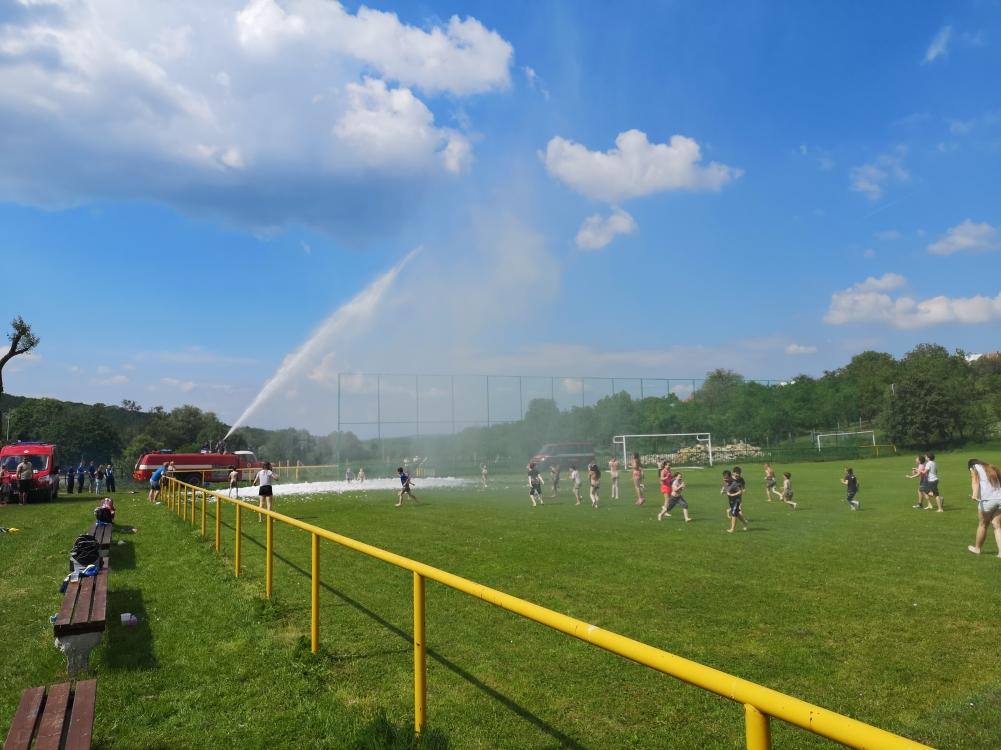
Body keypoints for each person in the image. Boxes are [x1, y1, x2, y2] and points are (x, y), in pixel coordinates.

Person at [967, 458, 1001, 557]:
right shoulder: (991, 467)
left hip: (988, 500)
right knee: (997, 525)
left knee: (983, 525)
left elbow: (975, 481)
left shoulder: (974, 467)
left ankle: (977, 549)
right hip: (1000, 499)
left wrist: (974, 495)